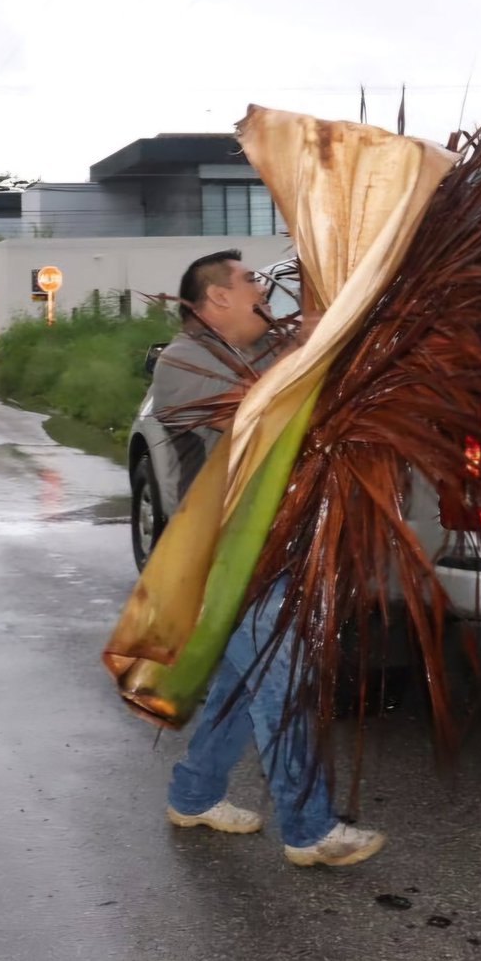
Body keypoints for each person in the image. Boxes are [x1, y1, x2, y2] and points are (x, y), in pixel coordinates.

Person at [154, 250, 385, 868]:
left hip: (265, 547)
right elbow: (265, 414)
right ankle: (310, 831)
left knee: (239, 684)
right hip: (223, 558)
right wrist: (306, 348)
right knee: (281, 685)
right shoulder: (182, 365)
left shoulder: (250, 352)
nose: (263, 289)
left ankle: (194, 794)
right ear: (217, 299)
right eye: (249, 281)